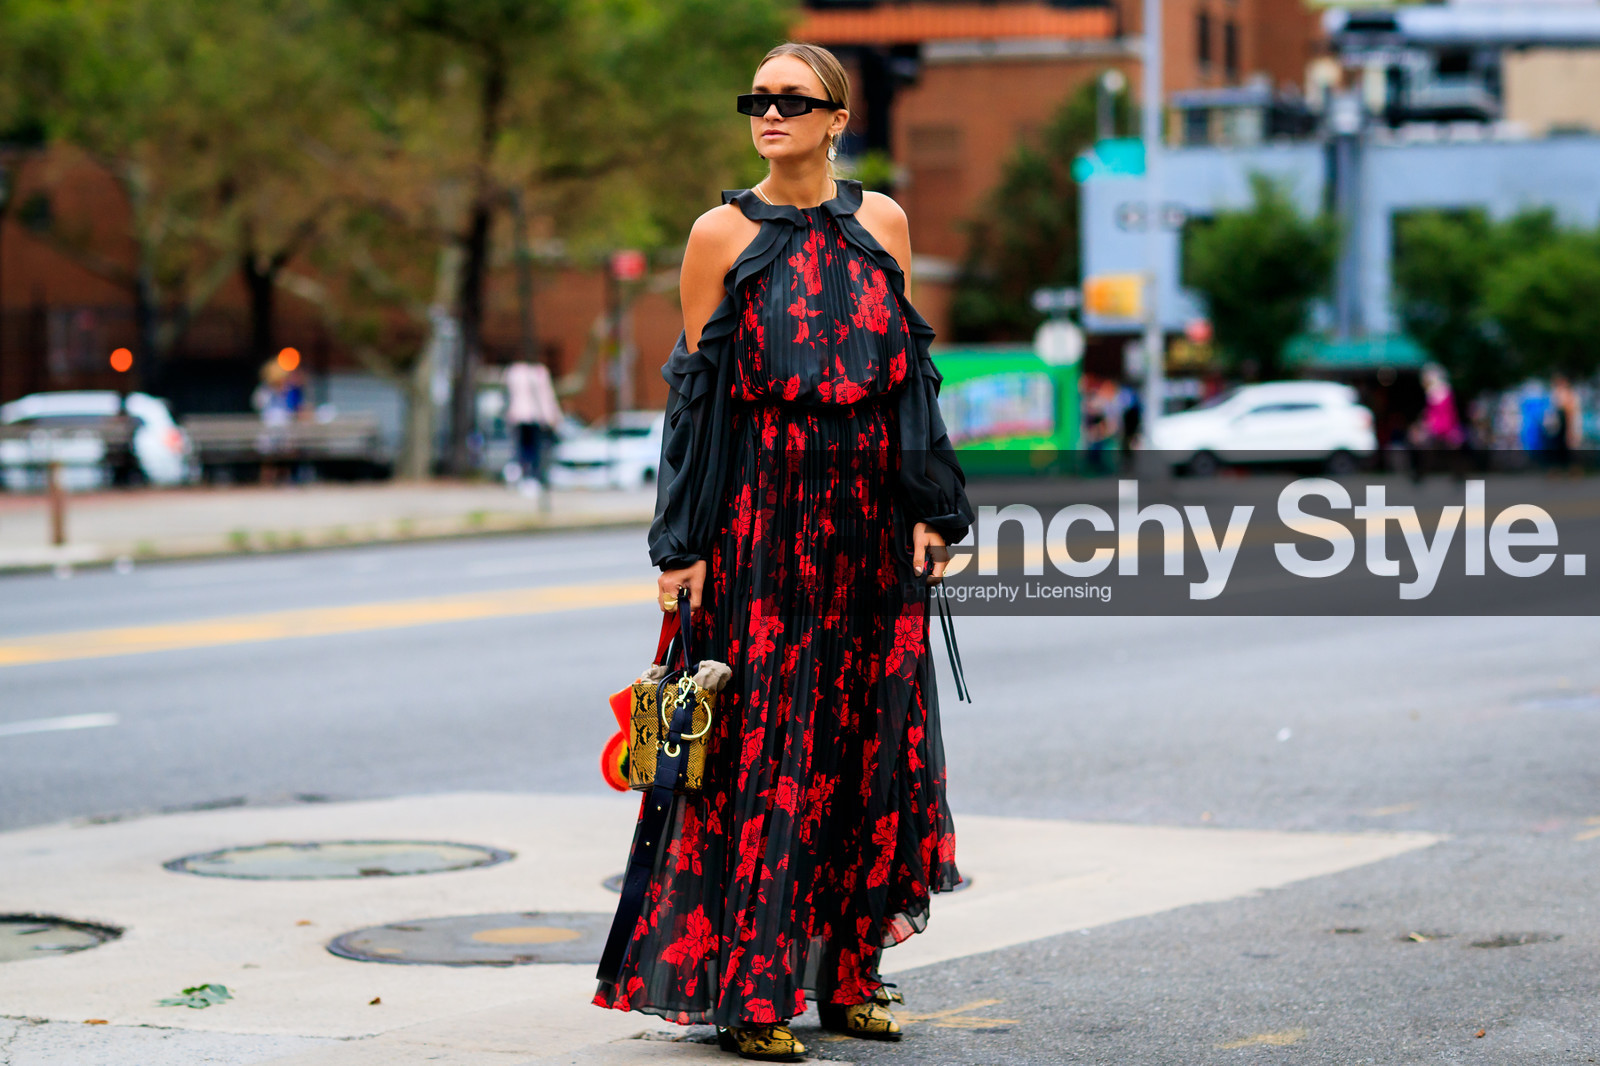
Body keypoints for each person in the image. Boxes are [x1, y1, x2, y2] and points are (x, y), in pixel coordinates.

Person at [593, 42, 972, 1063]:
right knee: (767, 750)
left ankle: (851, 976)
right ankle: (751, 989)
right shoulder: (719, 234)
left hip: (871, 526)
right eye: (757, 100)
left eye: (791, 100)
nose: (770, 114)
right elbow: (697, 396)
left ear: (835, 117)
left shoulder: (881, 220)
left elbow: (910, 384)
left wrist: (935, 510)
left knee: (863, 746)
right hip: (762, 526)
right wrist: (681, 542)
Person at [503, 359, 561, 496]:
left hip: (530, 416)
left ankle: (527, 476)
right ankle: (527, 476)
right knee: (528, 449)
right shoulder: (531, 372)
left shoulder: (523, 372)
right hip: (528, 416)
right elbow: (547, 396)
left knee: (528, 449)